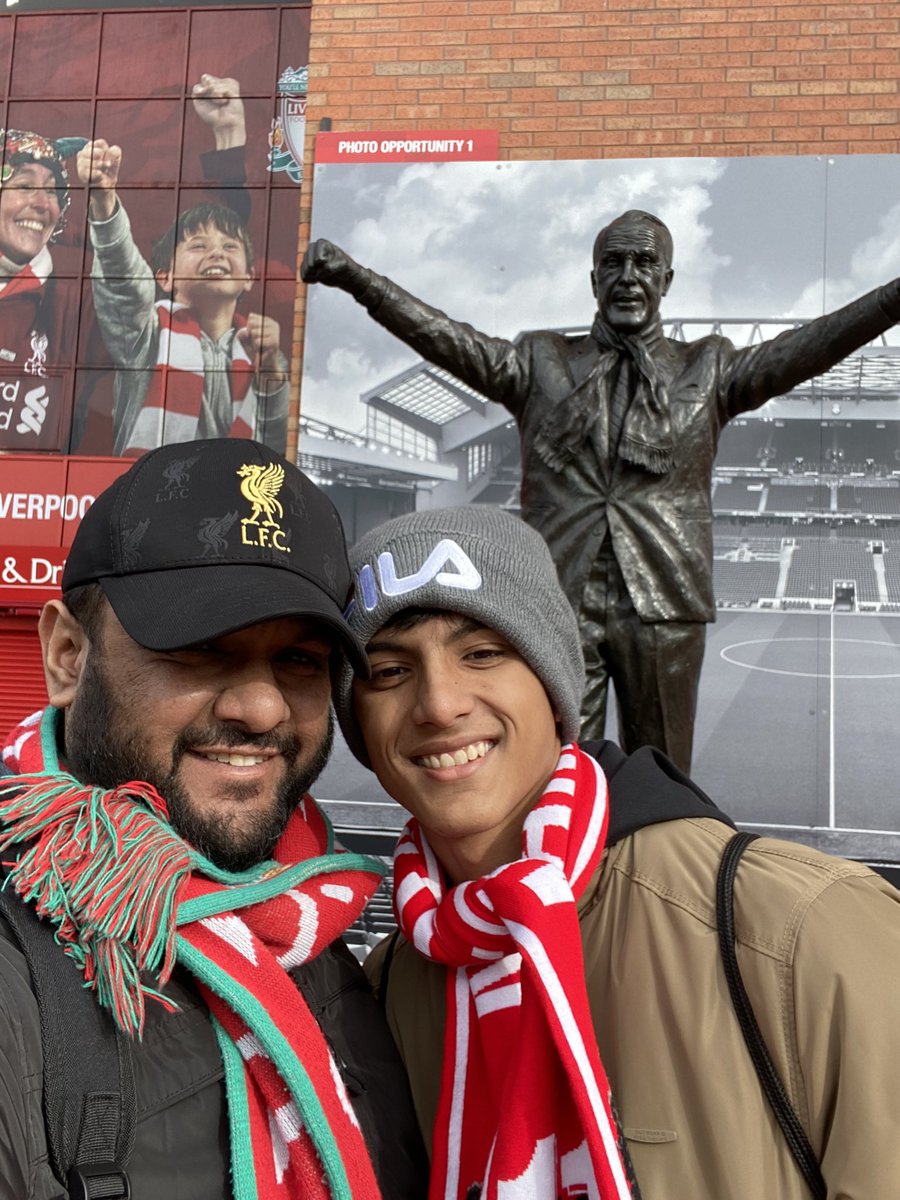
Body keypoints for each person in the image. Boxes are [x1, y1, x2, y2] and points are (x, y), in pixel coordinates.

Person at [333, 503, 900, 1200]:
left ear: (554, 685)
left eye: (483, 653)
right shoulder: (388, 987)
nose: (440, 703)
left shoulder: (805, 932)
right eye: (389, 671)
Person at [303, 218, 900, 772]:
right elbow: (445, 338)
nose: (629, 277)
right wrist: (358, 279)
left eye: (644, 263)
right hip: (557, 598)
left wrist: (889, 300)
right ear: (594, 279)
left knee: (661, 771)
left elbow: (812, 346)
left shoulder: (710, 366)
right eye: (614, 263)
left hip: (664, 597)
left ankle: (654, 880)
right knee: (552, 771)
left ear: (666, 279)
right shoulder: (540, 361)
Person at [0, 438, 427, 1198]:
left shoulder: (319, 936)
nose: (261, 708)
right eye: (199, 647)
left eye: (299, 660)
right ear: (68, 655)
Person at [77, 78, 288, 457]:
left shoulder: (262, 349)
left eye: (229, 246)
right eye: (198, 245)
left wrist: (272, 371)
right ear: (166, 277)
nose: (216, 254)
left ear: (249, 277)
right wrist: (104, 201)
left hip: (231, 503)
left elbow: (276, 447)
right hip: (151, 503)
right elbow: (124, 278)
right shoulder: (146, 333)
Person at [0, 128, 85, 448]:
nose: (41, 203)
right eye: (24, 186)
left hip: (30, 493)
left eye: (52, 192)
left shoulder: (73, 298)